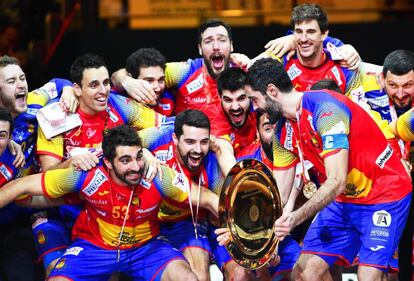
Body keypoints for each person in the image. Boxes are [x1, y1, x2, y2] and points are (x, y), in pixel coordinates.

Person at [217, 58, 411, 280]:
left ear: (271, 91)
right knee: (302, 273)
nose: (254, 107)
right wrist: (241, 229)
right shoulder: (281, 131)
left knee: (369, 276)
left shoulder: (325, 109)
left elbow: (336, 180)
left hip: (384, 195)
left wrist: (296, 217)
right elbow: (277, 196)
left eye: (254, 99)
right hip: (344, 201)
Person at [0, 124, 220, 281]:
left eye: (138, 157)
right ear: (108, 162)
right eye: (125, 160)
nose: (135, 166)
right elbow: (19, 186)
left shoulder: (157, 175)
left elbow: (208, 199)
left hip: (146, 249)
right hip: (96, 249)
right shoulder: (86, 175)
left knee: (187, 278)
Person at [33, 53, 172, 275]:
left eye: (106, 83)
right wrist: (71, 162)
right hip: (59, 209)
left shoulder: (119, 105)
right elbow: (48, 174)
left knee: (111, 269)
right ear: (77, 89)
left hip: (103, 211)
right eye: (94, 85)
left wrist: (142, 149)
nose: (104, 90)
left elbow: (167, 127)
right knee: (55, 271)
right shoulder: (56, 115)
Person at [138, 109, 250, 281]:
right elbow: (120, 144)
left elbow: (219, 199)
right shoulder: (160, 136)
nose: (198, 150)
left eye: (203, 142)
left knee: (206, 275)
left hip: (190, 222)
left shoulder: (214, 155)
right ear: (175, 138)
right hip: (151, 223)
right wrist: (142, 152)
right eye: (190, 142)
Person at [112, 18, 242, 138]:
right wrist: (126, 81)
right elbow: (133, 71)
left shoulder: (243, 71)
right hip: (191, 150)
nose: (216, 46)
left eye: (222, 40)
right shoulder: (184, 72)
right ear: (200, 49)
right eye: (208, 41)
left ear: (231, 45)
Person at [118, 47, 175, 116]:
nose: (158, 88)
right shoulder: (118, 103)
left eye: (161, 80)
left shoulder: (170, 96)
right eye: (149, 81)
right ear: (132, 79)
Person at [216, 67, 257, 155]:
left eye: (241, 99)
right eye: (228, 100)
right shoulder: (215, 118)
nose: (235, 107)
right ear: (219, 98)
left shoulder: (259, 106)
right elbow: (224, 154)